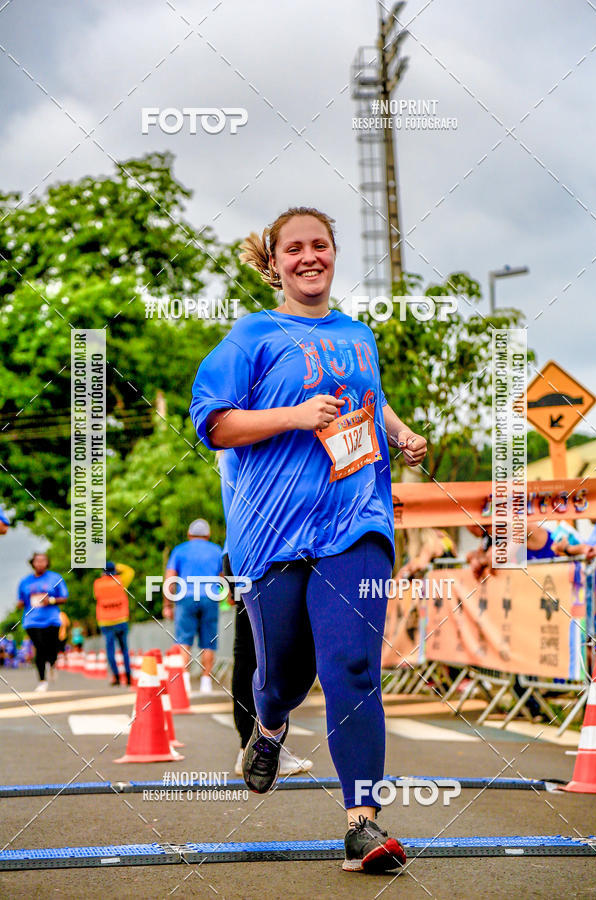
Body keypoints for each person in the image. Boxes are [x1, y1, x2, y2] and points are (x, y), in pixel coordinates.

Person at [190, 207, 427, 874]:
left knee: (353, 666)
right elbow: (214, 424)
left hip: (355, 518)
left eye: (319, 244)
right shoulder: (252, 335)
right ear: (277, 262)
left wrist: (400, 432)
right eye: (294, 248)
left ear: (333, 253)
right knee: (285, 677)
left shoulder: (358, 335)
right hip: (271, 531)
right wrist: (294, 415)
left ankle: (362, 825)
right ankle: (267, 727)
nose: (309, 256)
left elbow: (369, 399)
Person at [218, 448, 313, 778]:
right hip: (263, 552)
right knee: (257, 651)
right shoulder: (241, 444)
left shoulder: (235, 444)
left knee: (252, 650)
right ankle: (254, 744)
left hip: (244, 549)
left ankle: (254, 742)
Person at [162, 519, 223, 694]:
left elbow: (170, 578)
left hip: (185, 598)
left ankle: (185, 681)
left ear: (189, 535)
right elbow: (223, 577)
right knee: (209, 642)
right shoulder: (216, 550)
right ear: (208, 535)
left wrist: (168, 604)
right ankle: (206, 681)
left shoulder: (179, 550)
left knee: (183, 641)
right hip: (209, 597)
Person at [17, 552, 68, 691]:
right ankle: (42, 680)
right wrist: (20, 604)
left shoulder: (55, 578)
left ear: (47, 562)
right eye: (37, 561)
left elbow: (64, 597)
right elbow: (20, 600)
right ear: (32, 563)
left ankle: (52, 663)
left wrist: (50, 600)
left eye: (43, 560)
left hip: (51, 618)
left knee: (51, 647)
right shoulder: (25, 581)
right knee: (39, 648)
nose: (40, 563)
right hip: (31, 620)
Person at [93, 561, 135, 686]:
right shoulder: (121, 581)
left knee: (110, 650)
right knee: (124, 650)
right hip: (121, 620)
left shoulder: (97, 583)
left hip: (105, 621)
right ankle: (128, 677)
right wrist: (118, 566)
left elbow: (96, 597)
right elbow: (130, 571)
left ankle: (116, 677)